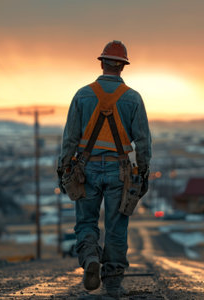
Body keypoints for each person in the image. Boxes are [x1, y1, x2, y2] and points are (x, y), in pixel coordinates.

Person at [57, 40, 151, 298]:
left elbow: (70, 139)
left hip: (85, 171)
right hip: (119, 172)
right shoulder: (133, 99)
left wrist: (64, 166)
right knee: (116, 227)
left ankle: (89, 260)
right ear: (123, 67)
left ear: (102, 63)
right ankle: (112, 282)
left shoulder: (82, 95)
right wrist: (142, 172)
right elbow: (143, 141)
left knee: (86, 222)